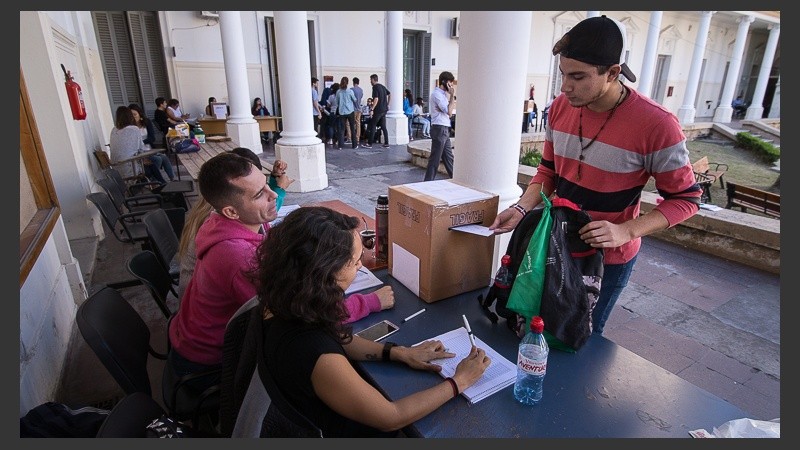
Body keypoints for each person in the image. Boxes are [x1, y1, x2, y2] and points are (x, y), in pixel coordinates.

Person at [489, 15, 702, 335]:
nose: (565, 87)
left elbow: (686, 199)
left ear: (613, 73)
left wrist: (627, 231)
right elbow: (548, 170)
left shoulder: (657, 125)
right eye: (563, 74)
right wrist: (521, 208)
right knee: (539, 330)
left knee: (579, 339)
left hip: (607, 261)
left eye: (577, 77)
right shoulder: (560, 107)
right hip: (554, 243)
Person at [253, 206, 491, 437]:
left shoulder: (288, 302)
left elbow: (340, 339)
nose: (360, 266)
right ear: (326, 271)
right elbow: (390, 416)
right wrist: (459, 381)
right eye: (356, 261)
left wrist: (399, 353)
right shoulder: (313, 352)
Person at [176, 147, 292, 300]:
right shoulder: (238, 257)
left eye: (267, 185)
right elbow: (274, 306)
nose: (274, 194)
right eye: (258, 194)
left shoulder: (244, 218)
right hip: (225, 322)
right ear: (231, 212)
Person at [108, 106, 170, 184]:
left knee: (151, 165)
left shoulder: (114, 130)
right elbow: (140, 149)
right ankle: (162, 185)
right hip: (130, 168)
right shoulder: (134, 129)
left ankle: (160, 184)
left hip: (117, 168)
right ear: (129, 116)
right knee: (152, 166)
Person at [129, 103, 176, 182]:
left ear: (139, 114)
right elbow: (132, 143)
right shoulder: (130, 127)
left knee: (164, 157)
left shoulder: (146, 122)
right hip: (139, 152)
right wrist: (140, 143)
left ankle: (172, 179)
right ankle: (154, 181)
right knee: (157, 159)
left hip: (149, 149)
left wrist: (141, 142)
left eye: (135, 114)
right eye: (131, 115)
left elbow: (152, 138)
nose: (133, 117)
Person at [424, 71, 456, 181]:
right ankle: (427, 183)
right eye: (450, 83)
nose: (451, 86)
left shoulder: (442, 95)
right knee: (435, 159)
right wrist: (452, 96)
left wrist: (450, 97)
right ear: (444, 82)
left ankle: (456, 179)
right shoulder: (437, 95)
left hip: (444, 128)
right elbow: (449, 111)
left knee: (448, 157)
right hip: (439, 128)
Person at [363, 74, 390, 149]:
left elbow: (376, 99)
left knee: (372, 125)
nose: (370, 81)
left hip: (378, 110)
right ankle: (386, 143)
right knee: (383, 127)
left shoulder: (375, 87)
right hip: (384, 110)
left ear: (373, 79)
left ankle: (369, 143)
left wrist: (372, 109)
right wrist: (387, 104)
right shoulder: (382, 87)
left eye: (370, 80)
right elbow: (390, 94)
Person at [334, 77, 359, 150]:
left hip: (342, 112)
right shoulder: (350, 91)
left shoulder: (338, 92)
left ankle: (340, 145)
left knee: (341, 129)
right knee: (352, 128)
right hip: (350, 111)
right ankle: (354, 145)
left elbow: (337, 102)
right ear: (348, 83)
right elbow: (354, 100)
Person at [346, 76, 364, 144]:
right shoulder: (361, 90)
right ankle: (357, 138)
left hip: (352, 109)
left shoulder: (351, 90)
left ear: (353, 82)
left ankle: (349, 137)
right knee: (358, 123)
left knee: (348, 123)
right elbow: (361, 97)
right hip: (359, 108)